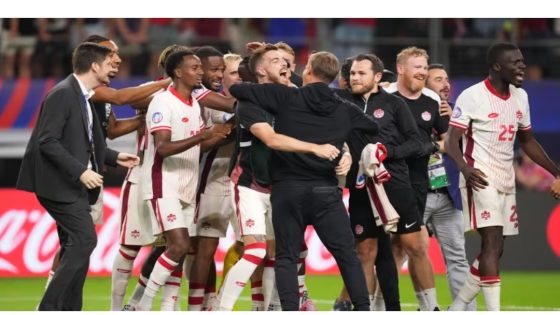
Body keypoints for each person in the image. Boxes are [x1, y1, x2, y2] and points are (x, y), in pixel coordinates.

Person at [230, 50, 378, 311]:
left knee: (286, 257)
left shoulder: (287, 96)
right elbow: (371, 126)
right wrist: (343, 146)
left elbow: (240, 90)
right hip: (326, 191)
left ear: (308, 70)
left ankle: (289, 309)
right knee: (347, 257)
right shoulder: (344, 108)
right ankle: (363, 308)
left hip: (288, 190)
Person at [16, 42, 139, 311]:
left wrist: (115, 157)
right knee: (85, 240)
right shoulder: (62, 94)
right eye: (109, 63)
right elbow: (47, 142)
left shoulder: (83, 96)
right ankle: (47, 308)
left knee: (78, 249)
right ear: (95, 65)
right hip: (57, 184)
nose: (114, 69)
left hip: (71, 185)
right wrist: (81, 171)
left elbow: (87, 144)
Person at [218, 45, 341, 311]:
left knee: (281, 253)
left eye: (286, 60)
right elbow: (271, 139)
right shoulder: (249, 103)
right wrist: (314, 148)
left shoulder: (296, 96)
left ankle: (271, 308)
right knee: (255, 252)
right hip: (250, 184)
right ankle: (221, 308)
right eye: (275, 61)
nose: (284, 63)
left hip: (282, 187)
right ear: (261, 70)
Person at [446, 42, 560, 311]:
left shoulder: (521, 97)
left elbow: (528, 142)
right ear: (497, 66)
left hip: (506, 179)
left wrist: (557, 172)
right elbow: (452, 140)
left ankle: (457, 307)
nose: (522, 66)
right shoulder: (472, 96)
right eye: (515, 62)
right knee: (491, 242)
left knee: (496, 251)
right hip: (479, 176)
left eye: (522, 61)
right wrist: (464, 168)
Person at [135, 49, 232, 311]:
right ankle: (142, 305)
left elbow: (196, 148)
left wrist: (221, 134)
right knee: (179, 245)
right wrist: (203, 136)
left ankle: (168, 307)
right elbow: (163, 148)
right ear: (178, 72)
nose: (201, 72)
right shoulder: (162, 102)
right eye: (195, 68)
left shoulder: (193, 104)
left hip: (188, 185)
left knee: (178, 250)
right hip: (163, 182)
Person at [384, 46, 444, 311]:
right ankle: (429, 307)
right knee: (407, 246)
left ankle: (420, 306)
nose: (423, 72)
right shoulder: (384, 97)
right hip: (388, 181)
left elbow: (442, 140)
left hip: (419, 182)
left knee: (401, 247)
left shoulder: (433, 99)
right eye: (417, 67)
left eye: (424, 67)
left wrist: (433, 146)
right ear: (401, 69)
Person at [424, 63, 475, 311]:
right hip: (418, 194)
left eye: (446, 79)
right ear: (424, 84)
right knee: (401, 253)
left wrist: (451, 121)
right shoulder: (408, 109)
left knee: (457, 258)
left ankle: (466, 310)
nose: (445, 84)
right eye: (437, 79)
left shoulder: (460, 114)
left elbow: (470, 147)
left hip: (448, 194)